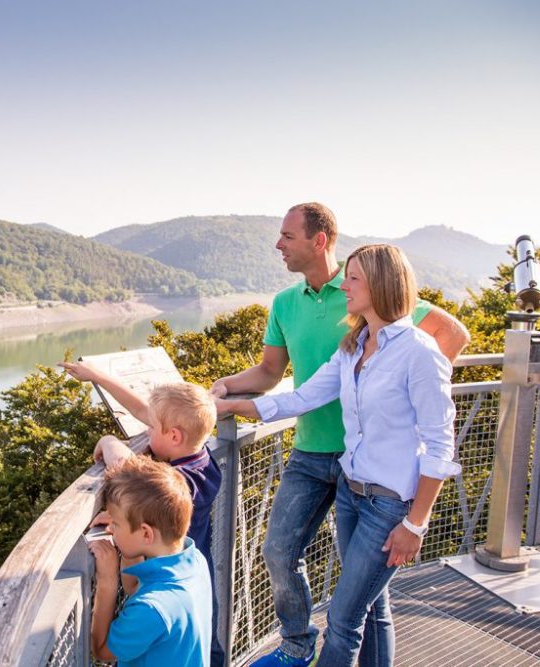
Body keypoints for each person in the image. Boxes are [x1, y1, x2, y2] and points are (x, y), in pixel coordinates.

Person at [209, 203, 468, 667]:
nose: (343, 288)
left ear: (380, 285)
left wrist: (416, 522)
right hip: (349, 482)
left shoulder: (417, 351)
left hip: (390, 498)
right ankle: (303, 648)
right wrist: (229, 403)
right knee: (355, 599)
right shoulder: (351, 345)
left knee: (348, 617)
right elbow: (296, 396)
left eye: (353, 281)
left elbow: (439, 440)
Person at [58, 361, 226, 665]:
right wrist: (97, 376)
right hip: (182, 575)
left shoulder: (179, 484)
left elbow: (125, 469)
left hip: (166, 592)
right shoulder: (202, 461)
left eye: (150, 428)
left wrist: (110, 442)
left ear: (174, 436)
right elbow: (142, 411)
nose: (145, 432)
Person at [88, 455, 213, 666]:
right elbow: (133, 586)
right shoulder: (193, 561)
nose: (111, 530)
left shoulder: (152, 609)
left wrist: (107, 581)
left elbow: (102, 650)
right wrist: (129, 529)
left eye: (116, 524)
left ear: (146, 534)